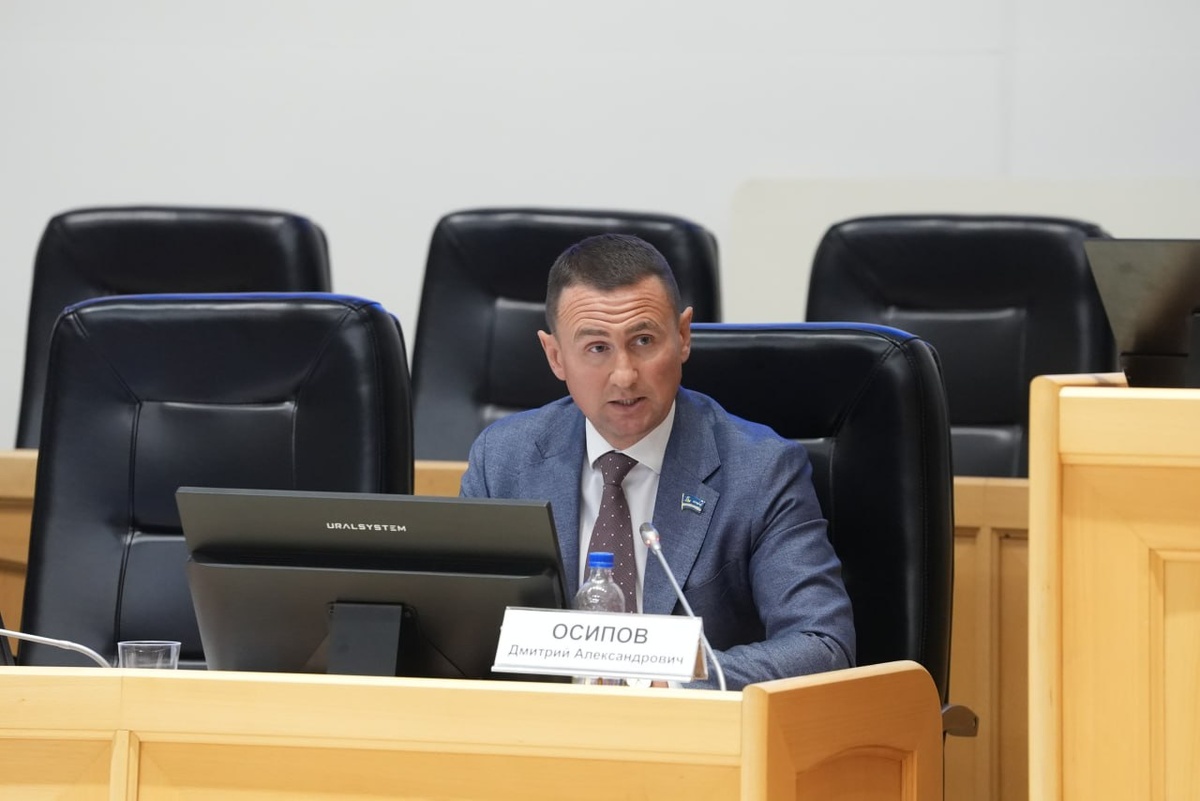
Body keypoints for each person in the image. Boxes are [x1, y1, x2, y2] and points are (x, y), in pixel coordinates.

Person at [460, 233, 854, 690]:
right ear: (555, 356)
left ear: (683, 337)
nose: (625, 375)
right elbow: (460, 635)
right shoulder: (502, 460)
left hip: (688, 729)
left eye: (644, 340)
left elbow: (823, 645)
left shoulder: (761, 470)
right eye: (597, 348)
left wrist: (673, 678)